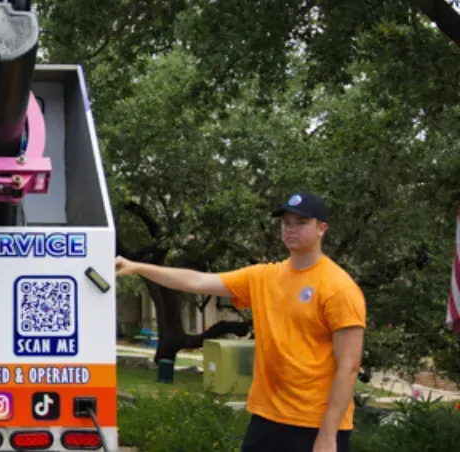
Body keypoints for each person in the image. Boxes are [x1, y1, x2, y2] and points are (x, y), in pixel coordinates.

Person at [114, 191, 366, 452]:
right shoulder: (264, 277)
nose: (291, 229)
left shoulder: (338, 287)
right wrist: (138, 267)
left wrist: (328, 435)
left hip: (314, 425)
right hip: (266, 419)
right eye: (286, 223)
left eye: (301, 223)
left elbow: (348, 366)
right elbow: (196, 281)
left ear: (321, 228)